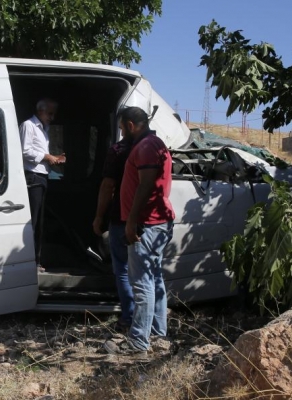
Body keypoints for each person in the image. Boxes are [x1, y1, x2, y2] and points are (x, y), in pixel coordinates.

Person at [109, 106, 175, 356]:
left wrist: (131, 220)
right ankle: (158, 335)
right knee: (154, 280)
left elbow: (146, 185)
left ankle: (138, 342)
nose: (121, 134)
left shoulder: (146, 146)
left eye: (122, 128)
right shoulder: (154, 144)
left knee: (142, 284)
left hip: (147, 224)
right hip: (155, 222)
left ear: (129, 125)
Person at [92, 127, 134, 332]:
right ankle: (153, 324)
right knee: (148, 275)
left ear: (129, 126)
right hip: (148, 220)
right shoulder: (154, 149)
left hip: (121, 217)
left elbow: (108, 185)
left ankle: (128, 317)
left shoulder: (119, 150)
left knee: (123, 271)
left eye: (121, 127)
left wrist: (99, 216)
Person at [20, 99, 65, 271]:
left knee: (40, 221)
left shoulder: (43, 129)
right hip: (32, 176)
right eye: (50, 114)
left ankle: (36, 260)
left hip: (42, 175)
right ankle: (30, 261)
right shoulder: (28, 126)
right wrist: (47, 157)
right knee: (33, 219)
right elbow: (25, 151)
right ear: (40, 111)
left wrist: (53, 158)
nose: (52, 118)